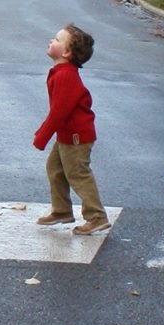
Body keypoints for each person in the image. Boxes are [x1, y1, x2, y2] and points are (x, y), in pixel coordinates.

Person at [33, 24, 110, 236]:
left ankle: (96, 216)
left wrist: (42, 136)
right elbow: (58, 111)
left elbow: (59, 112)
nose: (51, 40)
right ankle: (61, 210)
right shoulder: (60, 72)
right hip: (68, 134)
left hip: (76, 136)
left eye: (57, 39)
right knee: (55, 168)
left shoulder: (66, 76)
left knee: (78, 174)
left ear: (66, 53)